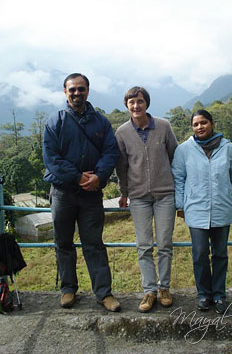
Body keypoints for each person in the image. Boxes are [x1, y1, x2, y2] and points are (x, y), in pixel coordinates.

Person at [43, 73, 121, 312]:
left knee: (94, 244)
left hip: (91, 195)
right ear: (65, 92)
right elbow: (51, 158)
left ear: (88, 91)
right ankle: (68, 289)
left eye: (81, 89)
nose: (77, 93)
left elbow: (111, 151)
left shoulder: (101, 122)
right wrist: (78, 177)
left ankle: (103, 293)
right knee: (63, 242)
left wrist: (98, 176)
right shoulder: (55, 121)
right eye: (72, 90)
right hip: (63, 192)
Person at [171, 109, 232, 314]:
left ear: (212, 123)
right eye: (195, 124)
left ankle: (219, 295)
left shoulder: (229, 149)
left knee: (220, 254)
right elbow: (178, 178)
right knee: (200, 254)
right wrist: (180, 205)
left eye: (203, 122)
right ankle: (203, 294)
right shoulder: (184, 150)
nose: (200, 127)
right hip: (195, 209)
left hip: (222, 208)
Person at [115, 86, 178, 312]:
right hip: (138, 197)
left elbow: (175, 158)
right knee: (143, 246)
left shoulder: (163, 126)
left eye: (140, 101)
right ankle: (149, 291)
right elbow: (121, 167)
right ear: (127, 105)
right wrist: (124, 193)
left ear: (146, 103)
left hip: (165, 195)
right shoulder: (122, 133)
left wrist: (178, 191)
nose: (136, 106)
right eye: (131, 102)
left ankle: (164, 288)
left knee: (164, 244)